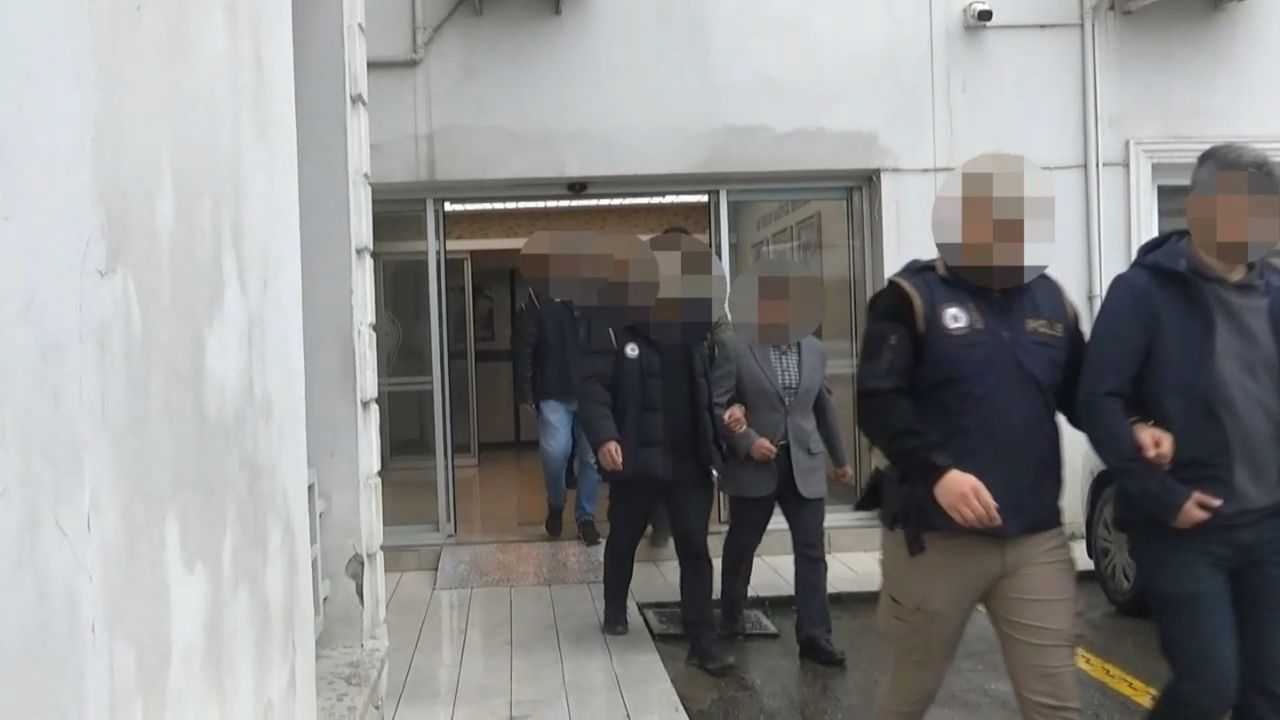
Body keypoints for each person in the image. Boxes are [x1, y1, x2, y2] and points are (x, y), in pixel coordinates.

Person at [856, 152, 1171, 720]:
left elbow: (1082, 394)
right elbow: (877, 400)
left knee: (1055, 704)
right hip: (934, 539)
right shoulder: (910, 298)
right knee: (908, 695)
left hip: (1032, 539)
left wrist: (1133, 426)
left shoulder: (1051, 301)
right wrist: (937, 474)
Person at [1076, 143, 1280, 720]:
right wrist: (1160, 494)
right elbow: (1098, 398)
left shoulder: (1275, 295)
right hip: (1186, 528)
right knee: (1208, 687)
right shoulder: (1143, 293)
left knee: (1269, 692)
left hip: (1269, 528)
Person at [578, 230, 733, 676]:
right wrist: (605, 437)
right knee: (623, 539)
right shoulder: (615, 323)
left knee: (694, 548)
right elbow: (592, 386)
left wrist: (733, 412)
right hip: (637, 458)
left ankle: (702, 641)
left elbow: (722, 376)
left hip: (689, 459)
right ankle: (614, 607)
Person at [712, 262, 853, 667]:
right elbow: (717, 405)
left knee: (811, 550)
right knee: (743, 544)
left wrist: (840, 459)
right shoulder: (736, 347)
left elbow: (823, 406)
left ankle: (815, 635)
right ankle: (732, 614)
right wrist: (747, 441)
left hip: (804, 463)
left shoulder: (813, 349)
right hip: (755, 466)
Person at [513, 281, 603, 546]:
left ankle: (585, 517)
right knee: (554, 454)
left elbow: (611, 343)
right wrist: (525, 392)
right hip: (553, 390)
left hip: (592, 392)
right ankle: (556, 502)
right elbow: (525, 344)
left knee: (591, 458)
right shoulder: (540, 297)